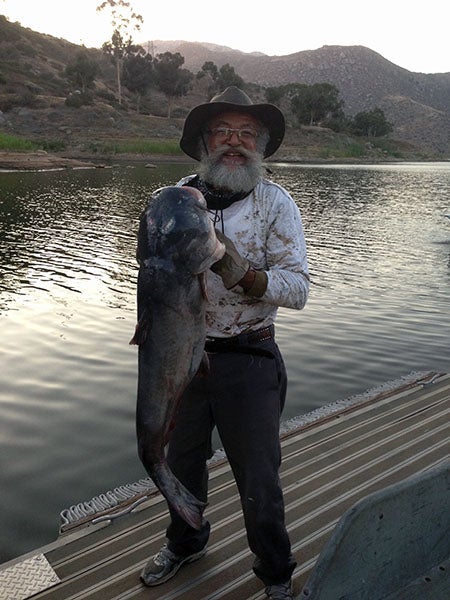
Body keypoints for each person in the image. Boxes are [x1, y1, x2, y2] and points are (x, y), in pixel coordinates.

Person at [140, 86, 309, 600]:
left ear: (260, 145)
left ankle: (276, 573)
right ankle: (187, 540)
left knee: (259, 479)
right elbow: (147, 273)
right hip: (177, 353)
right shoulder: (172, 200)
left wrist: (243, 275)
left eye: (246, 133)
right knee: (181, 459)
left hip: (249, 358)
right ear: (203, 142)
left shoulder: (275, 203)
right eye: (223, 131)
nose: (234, 142)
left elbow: (298, 289)